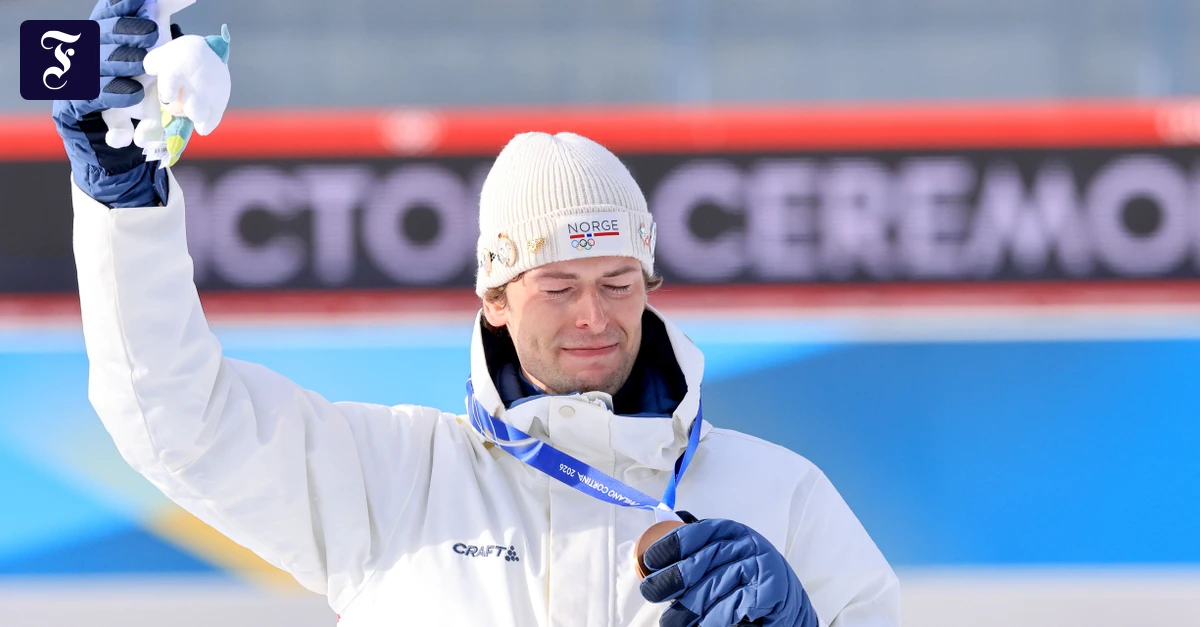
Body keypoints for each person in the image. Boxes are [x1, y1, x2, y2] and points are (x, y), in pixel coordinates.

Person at [55, 1, 900, 625]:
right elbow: (175, 418)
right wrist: (124, 210)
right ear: (494, 297)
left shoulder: (777, 496)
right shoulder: (394, 480)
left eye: (617, 281)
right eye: (557, 287)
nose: (595, 316)